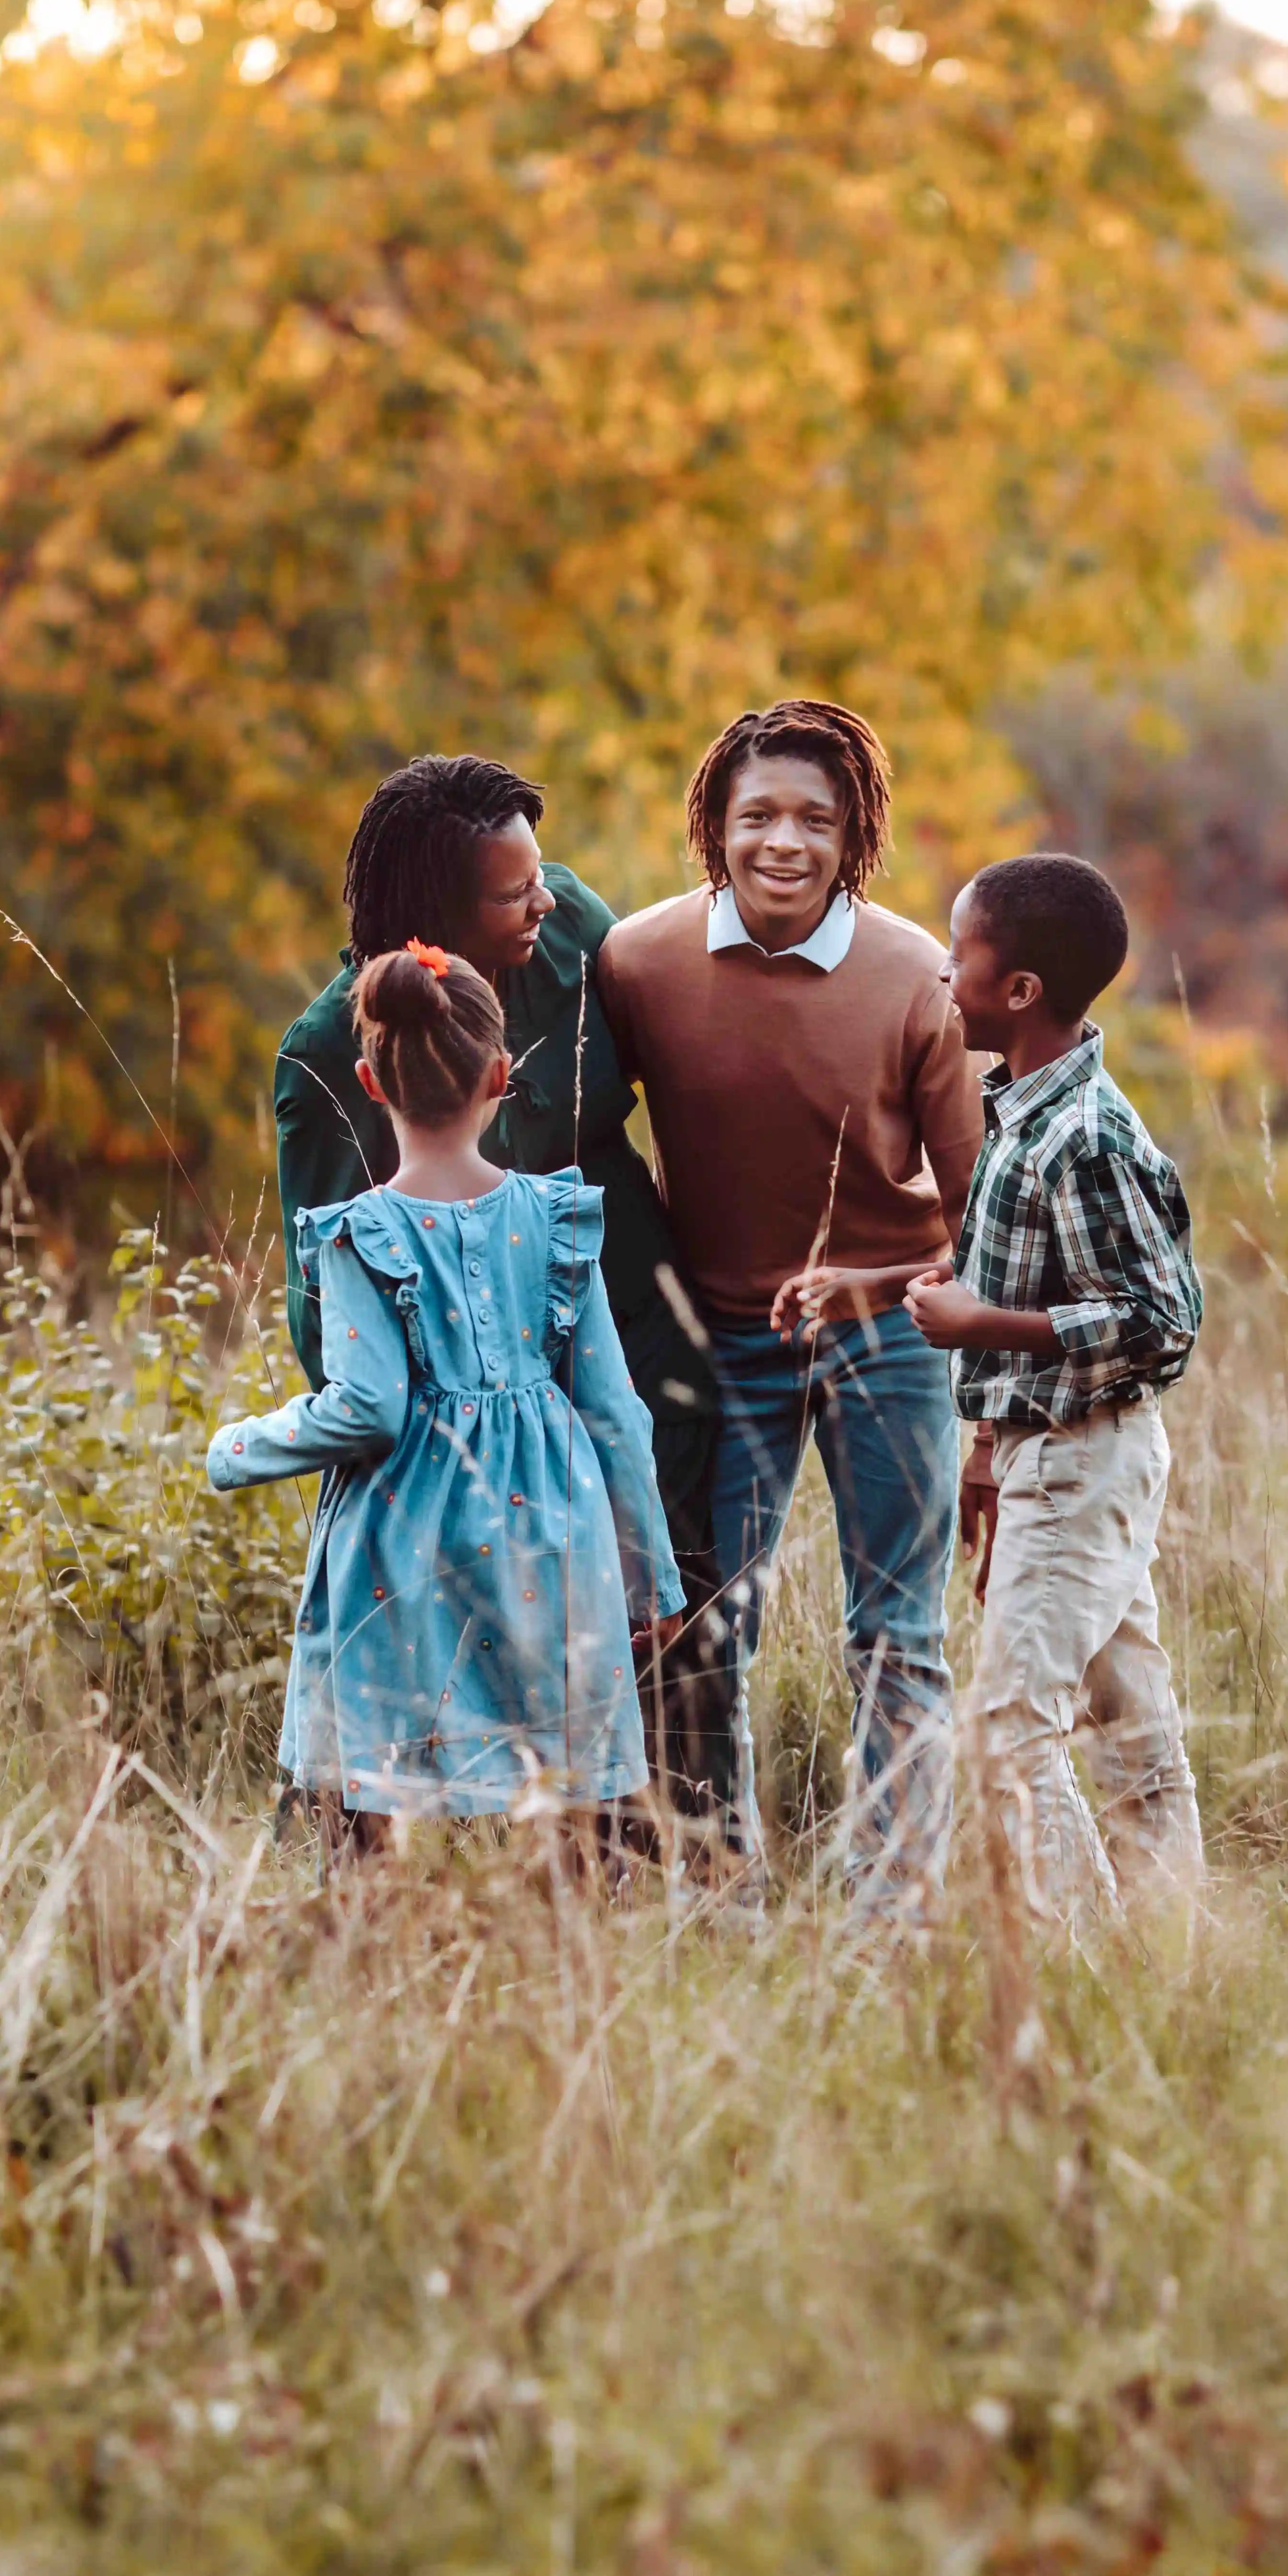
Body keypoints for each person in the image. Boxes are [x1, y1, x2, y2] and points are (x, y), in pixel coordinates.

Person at [273, 752, 732, 1819]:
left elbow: (675, 1075)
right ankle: (416, 1839)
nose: (543, 897)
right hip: (461, 1400)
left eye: (539, 875)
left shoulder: (571, 931)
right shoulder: (333, 1050)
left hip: (626, 1321)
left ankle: (677, 1841)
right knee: (464, 1623)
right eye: (510, 890)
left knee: (667, 1583)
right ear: (435, 912)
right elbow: (331, 1301)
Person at [597, 699, 987, 1916]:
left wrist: (943, 1355)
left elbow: (980, 1208)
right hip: (721, 1343)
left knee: (896, 1633)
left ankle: (897, 1906)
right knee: (709, 1630)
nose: (783, 842)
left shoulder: (919, 976)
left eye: (815, 821)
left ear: (855, 834)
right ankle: (720, 1892)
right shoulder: (638, 963)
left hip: (891, 1334)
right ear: (712, 825)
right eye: (756, 814)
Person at [801, 852, 1203, 1922]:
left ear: (1017, 992)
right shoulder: (1017, 1110)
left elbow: (1162, 1320)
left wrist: (985, 1326)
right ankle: (1174, 1959)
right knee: (1128, 1723)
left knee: (1010, 1735)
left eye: (958, 955)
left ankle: (1079, 1966)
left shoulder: (1085, 1135)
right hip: (1041, 1452)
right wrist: (893, 1301)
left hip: (1085, 1459)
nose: (940, 973)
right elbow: (1007, 1271)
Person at [212, 939, 684, 1830]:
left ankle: (373, 1944)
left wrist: (239, 1447)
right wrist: (651, 1581)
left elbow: (366, 1408)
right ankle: (571, 1952)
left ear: (370, 1080)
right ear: (502, 1075)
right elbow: (617, 1415)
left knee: (376, 1784)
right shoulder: (558, 1221)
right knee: (563, 1778)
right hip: (556, 1537)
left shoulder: (359, 1235)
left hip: (405, 1544)